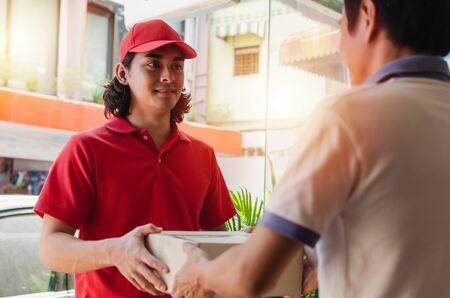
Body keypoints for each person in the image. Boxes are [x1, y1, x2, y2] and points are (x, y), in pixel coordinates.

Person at [172, 0, 450, 297]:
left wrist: (199, 273)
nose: (341, 45)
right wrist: (325, 256)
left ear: (367, 15)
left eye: (341, 25)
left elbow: (249, 276)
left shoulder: (348, 116)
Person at [34, 19, 236, 298]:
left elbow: (215, 243)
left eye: (176, 66)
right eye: (154, 64)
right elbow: (51, 249)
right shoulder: (86, 149)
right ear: (123, 73)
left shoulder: (203, 155)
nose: (168, 76)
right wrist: (116, 251)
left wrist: (243, 246)